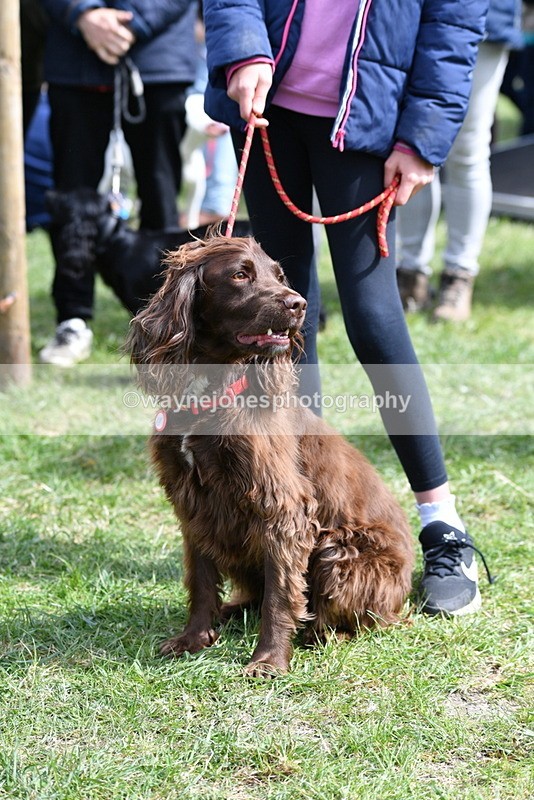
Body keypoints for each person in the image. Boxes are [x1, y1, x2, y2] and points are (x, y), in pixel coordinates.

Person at [202, 0, 491, 616]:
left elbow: (454, 24)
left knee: (372, 313)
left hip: (366, 118)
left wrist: (423, 135)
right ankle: (294, 518)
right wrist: (243, 51)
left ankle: (443, 527)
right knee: (275, 320)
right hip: (265, 107)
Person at [38, 0, 198, 366]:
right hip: (74, 59)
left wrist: (135, 21)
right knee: (71, 202)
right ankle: (72, 319)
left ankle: (170, 323)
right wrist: (82, 13)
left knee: (161, 197)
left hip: (159, 57)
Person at [396, 0, 523, 322]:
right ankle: (410, 274)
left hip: (485, 20)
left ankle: (459, 275)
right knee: (415, 145)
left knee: (468, 149)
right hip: (413, 15)